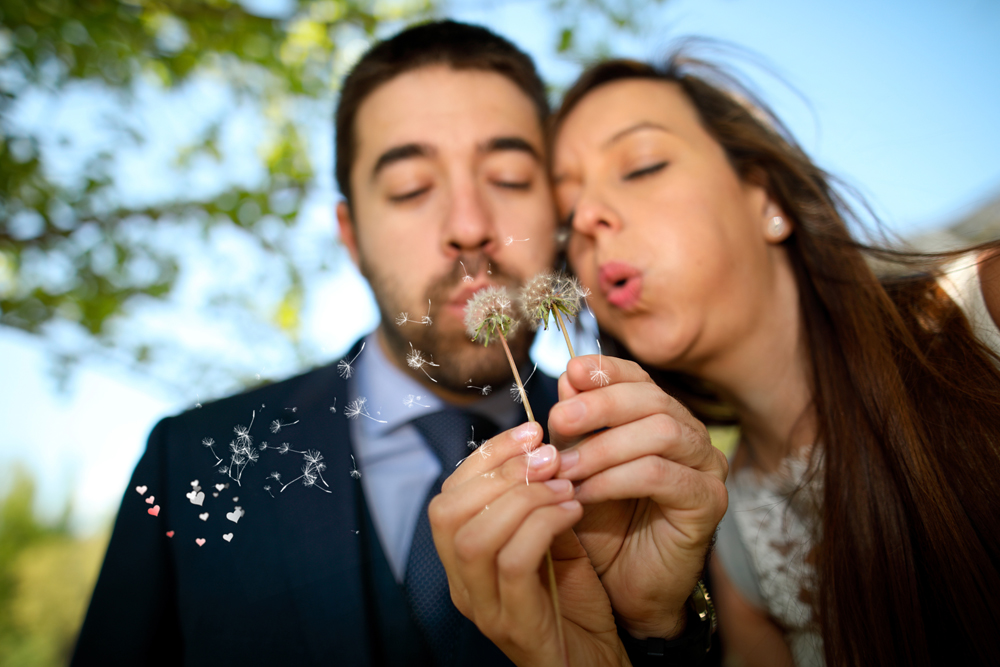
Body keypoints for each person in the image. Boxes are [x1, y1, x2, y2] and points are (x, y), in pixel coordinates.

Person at [72, 21, 726, 667]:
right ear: (351, 235)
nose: (469, 226)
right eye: (411, 188)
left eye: (509, 177)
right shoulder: (191, 462)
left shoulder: (644, 471)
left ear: (557, 212)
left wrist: (657, 629)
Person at [548, 55, 1000, 667]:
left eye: (642, 165)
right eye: (566, 212)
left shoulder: (986, 309)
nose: (586, 218)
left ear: (767, 199)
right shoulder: (731, 544)